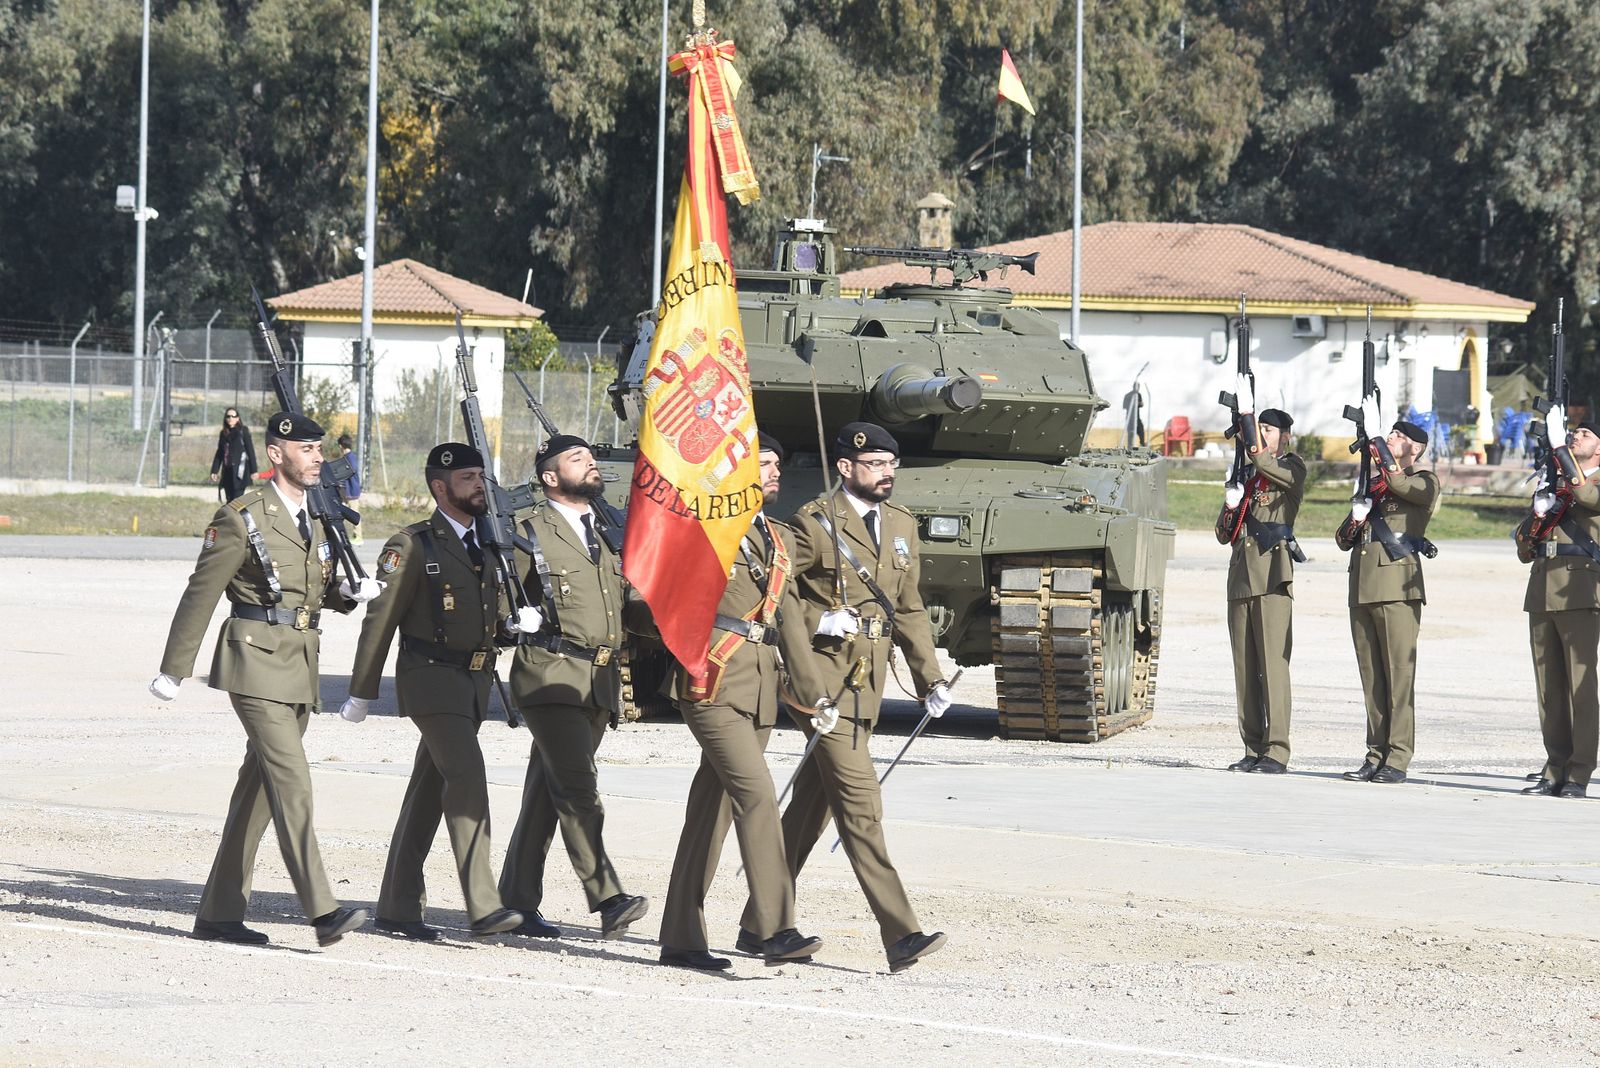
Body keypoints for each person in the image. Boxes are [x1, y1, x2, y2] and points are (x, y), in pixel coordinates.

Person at [148, 411, 380, 947]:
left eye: (320, 448)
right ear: (276, 455)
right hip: (253, 661)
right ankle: (321, 908)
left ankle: (219, 914)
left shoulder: (322, 518)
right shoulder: (241, 516)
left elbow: (316, 595)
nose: (318, 457)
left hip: (300, 663)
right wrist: (173, 669)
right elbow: (200, 593)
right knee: (293, 783)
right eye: (306, 448)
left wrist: (351, 595)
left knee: (256, 793)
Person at [739, 421, 951, 974]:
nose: (887, 473)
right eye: (876, 464)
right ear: (846, 467)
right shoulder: (813, 525)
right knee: (862, 807)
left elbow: (907, 608)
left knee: (811, 810)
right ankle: (901, 933)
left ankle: (758, 922)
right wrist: (817, 620)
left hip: (867, 686)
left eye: (891, 464)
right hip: (823, 685)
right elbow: (776, 594)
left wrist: (929, 677)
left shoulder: (902, 525)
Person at [339, 443, 532, 940]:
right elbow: (380, 622)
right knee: (467, 778)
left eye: (481, 476)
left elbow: (488, 617)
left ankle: (399, 906)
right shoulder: (412, 545)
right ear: (440, 487)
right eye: (469, 478)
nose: (480, 486)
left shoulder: (490, 545)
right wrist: (362, 691)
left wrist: (515, 625)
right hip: (430, 678)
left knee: (428, 793)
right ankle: (484, 903)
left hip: (474, 684)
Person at [657, 432, 831, 970]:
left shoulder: (777, 538)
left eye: (778, 464)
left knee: (712, 812)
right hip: (711, 680)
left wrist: (813, 695)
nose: (775, 472)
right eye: (764, 464)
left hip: (757, 687)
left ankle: (682, 938)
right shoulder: (702, 532)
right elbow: (650, 600)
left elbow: (789, 624)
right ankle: (773, 927)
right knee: (758, 795)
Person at [497, 433, 647, 940]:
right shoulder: (527, 529)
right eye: (576, 458)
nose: (590, 463)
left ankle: (516, 903)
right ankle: (607, 896)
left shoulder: (606, 529)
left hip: (600, 681)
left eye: (589, 456)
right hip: (550, 676)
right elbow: (499, 600)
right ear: (550, 476)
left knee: (548, 791)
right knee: (580, 788)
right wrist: (512, 618)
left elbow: (627, 603)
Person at [1334, 400, 1440, 785]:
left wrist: (1376, 438)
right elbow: (1343, 539)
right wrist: (1357, 516)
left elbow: (1398, 482)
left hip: (1397, 588)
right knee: (1372, 678)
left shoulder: (1424, 481)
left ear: (1414, 448)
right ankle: (1375, 753)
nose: (1392, 439)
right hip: (1362, 587)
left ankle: (1397, 757)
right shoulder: (1374, 486)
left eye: (1398, 436)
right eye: (1390, 434)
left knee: (1398, 676)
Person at [1221, 396, 1307, 775]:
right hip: (1241, 575)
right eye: (1261, 429)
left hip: (1273, 575)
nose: (1261, 435)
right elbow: (1224, 534)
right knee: (1245, 667)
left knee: (1273, 666)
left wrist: (1247, 422)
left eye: (1268, 430)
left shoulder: (1292, 468)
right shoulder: (1246, 475)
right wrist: (1230, 503)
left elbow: (1266, 463)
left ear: (1284, 437)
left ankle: (1277, 749)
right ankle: (1252, 746)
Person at [1518, 410, 1600, 799]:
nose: (1575, 436)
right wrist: (1536, 516)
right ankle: (1555, 765)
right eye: (1572, 432)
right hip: (1542, 588)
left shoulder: (1592, 483)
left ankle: (1580, 771)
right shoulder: (1557, 482)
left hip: (1581, 591)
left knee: (1579, 690)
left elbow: (1586, 495)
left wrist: (1557, 449)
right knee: (1549, 688)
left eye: (1584, 433)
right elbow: (1523, 545)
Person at [209, 407, 257, 502]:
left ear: (238, 418)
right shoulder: (223, 433)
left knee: (237, 501)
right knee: (229, 501)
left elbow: (250, 451)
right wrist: (214, 470)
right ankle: (231, 517)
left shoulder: (243, 431)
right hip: (227, 472)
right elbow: (220, 453)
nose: (230, 418)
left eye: (233, 416)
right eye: (228, 416)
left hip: (240, 472)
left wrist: (254, 470)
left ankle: (238, 516)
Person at [335, 432, 363, 545]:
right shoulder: (348, 457)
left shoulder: (350, 458)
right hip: (347, 490)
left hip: (352, 490)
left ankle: (359, 537)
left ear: (341, 446)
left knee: (354, 514)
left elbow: (352, 470)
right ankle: (349, 535)